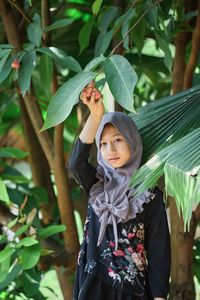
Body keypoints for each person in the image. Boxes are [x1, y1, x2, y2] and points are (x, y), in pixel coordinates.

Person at [68, 81, 171, 300]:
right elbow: (76, 162)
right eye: (103, 144)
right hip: (92, 283)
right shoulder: (96, 183)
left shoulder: (149, 194)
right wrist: (96, 115)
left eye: (117, 140)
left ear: (133, 142)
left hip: (132, 290)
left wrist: (160, 296)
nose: (110, 150)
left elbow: (159, 249)